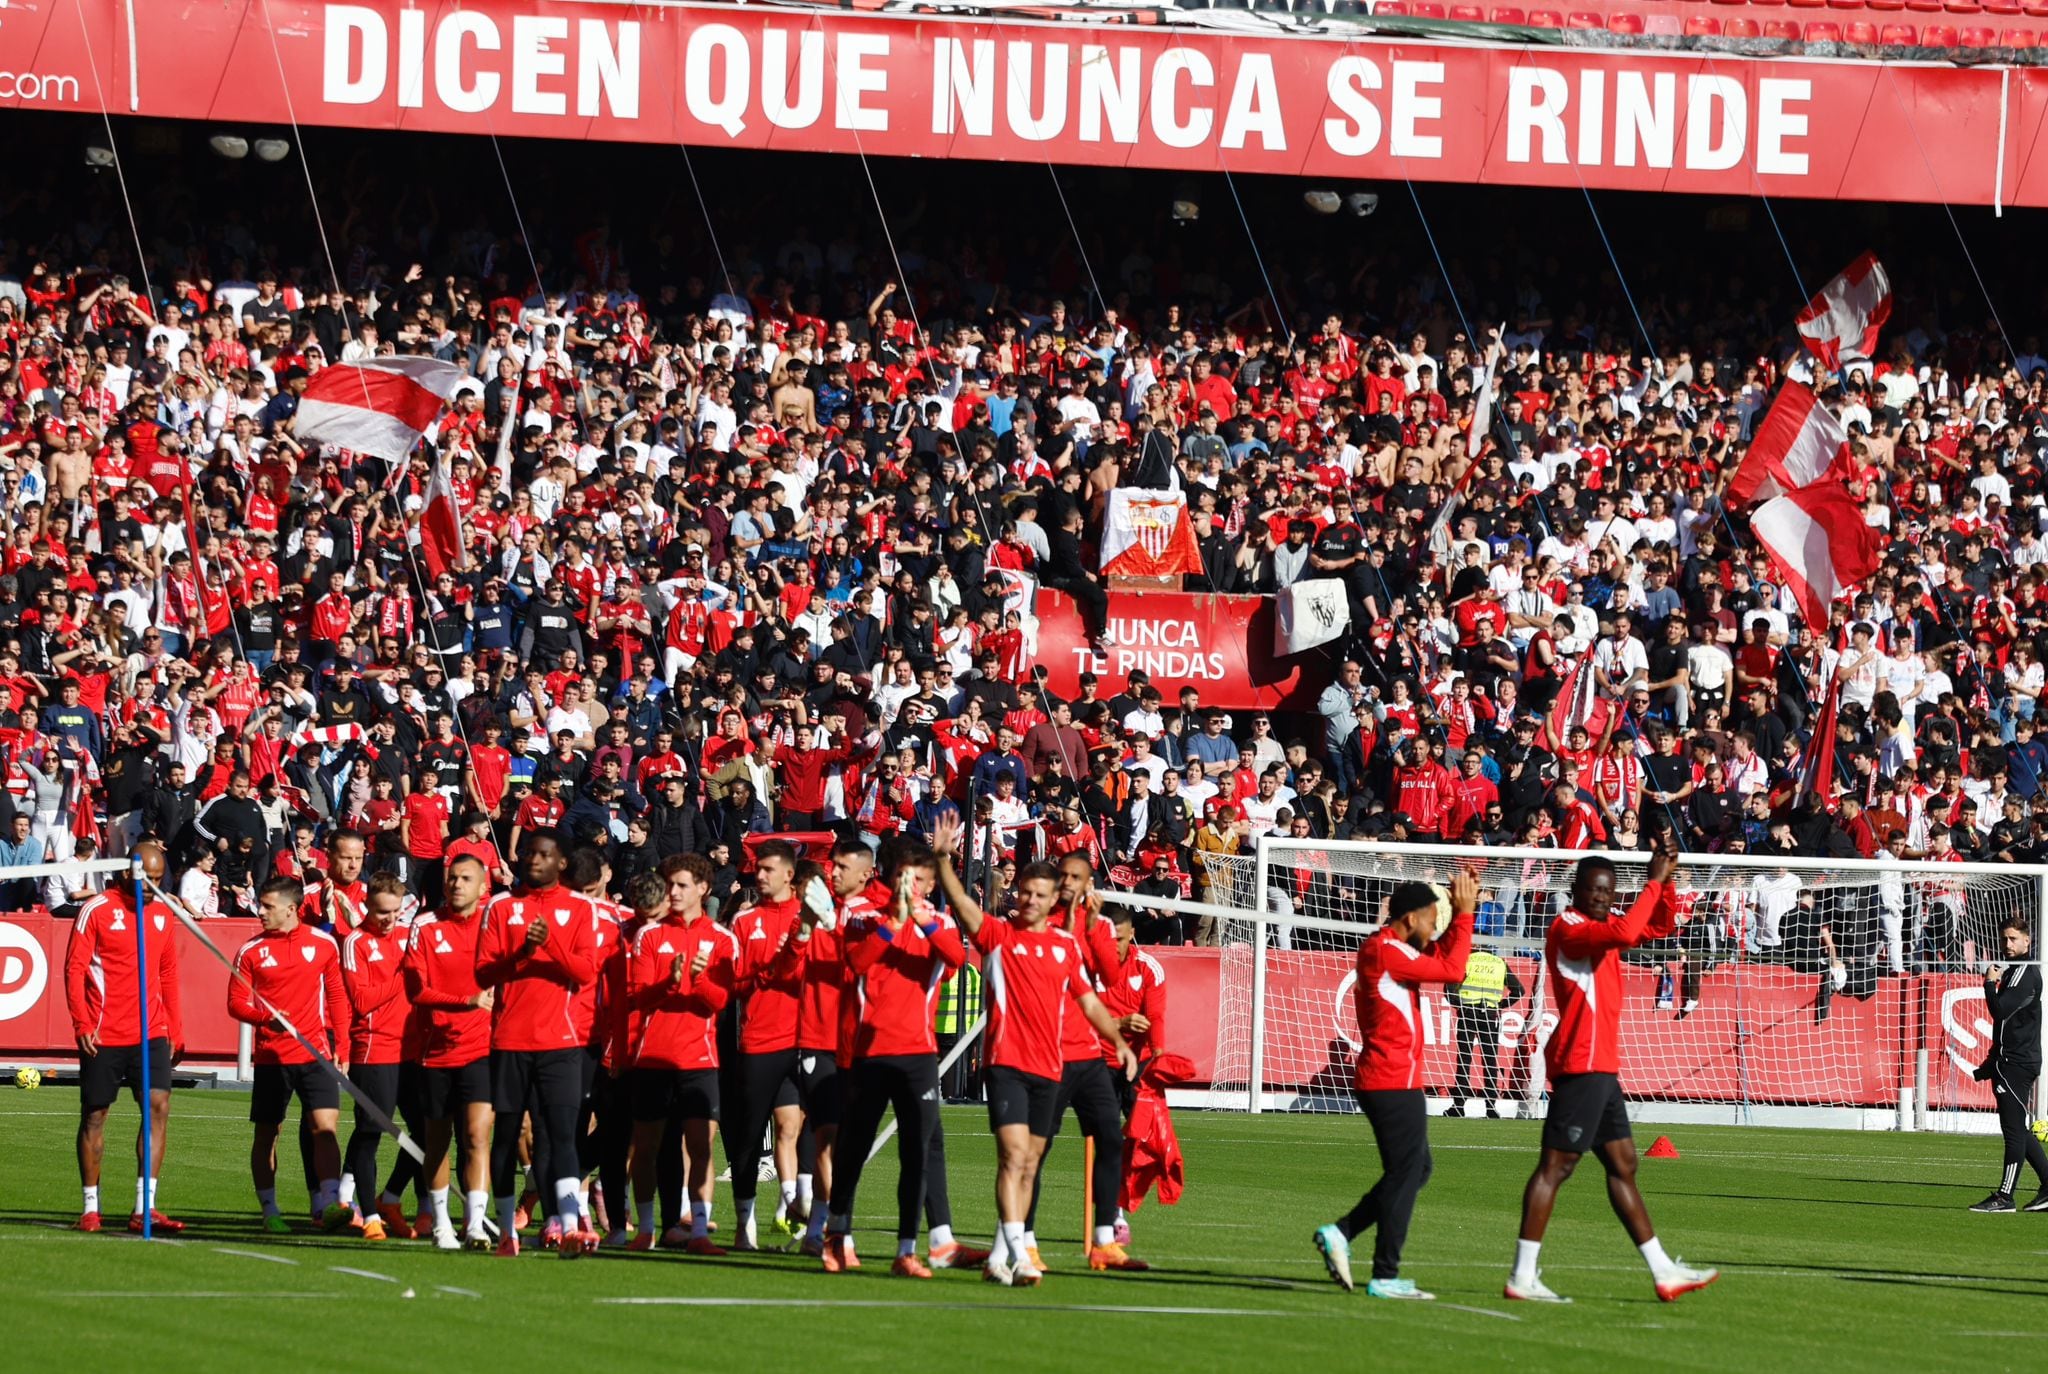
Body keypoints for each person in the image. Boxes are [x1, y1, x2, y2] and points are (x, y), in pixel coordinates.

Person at [1504, 832, 1719, 1303]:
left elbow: (1658, 925)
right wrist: (1652, 882)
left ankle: (1663, 1271)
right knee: (1555, 1167)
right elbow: (1626, 933)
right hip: (1580, 1063)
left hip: (1600, 1066)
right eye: (1595, 890)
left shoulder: (1603, 924)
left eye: (1609, 891)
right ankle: (1522, 1275)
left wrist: (1665, 883)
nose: (1602, 897)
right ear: (1577, 890)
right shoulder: (1569, 926)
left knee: (1624, 1165)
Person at [931, 814, 1139, 1288]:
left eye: (1039, 895)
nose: (1030, 900)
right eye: (1025, 892)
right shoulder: (999, 936)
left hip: (1050, 1068)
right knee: (1014, 1156)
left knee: (1029, 1163)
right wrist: (943, 860)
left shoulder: (1065, 945)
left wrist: (1119, 1042)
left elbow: (1090, 1001)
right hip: (1006, 1064)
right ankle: (1020, 1254)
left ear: (1051, 899)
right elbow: (962, 905)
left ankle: (1000, 1256)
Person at [1313, 874, 1476, 1299]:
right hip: (1390, 1080)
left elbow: (1440, 956)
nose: (1436, 926)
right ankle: (1384, 1274)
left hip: (1392, 1078)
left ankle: (1342, 1232)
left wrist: (1461, 912)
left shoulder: (1391, 947)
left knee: (1415, 1170)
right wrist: (1464, 915)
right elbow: (1454, 970)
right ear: (1410, 918)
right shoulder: (1387, 951)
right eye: (1432, 919)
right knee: (1406, 1172)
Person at [817, 843, 965, 1278]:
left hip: (919, 1054)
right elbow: (857, 962)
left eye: (917, 880)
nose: (907, 885)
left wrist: (919, 919)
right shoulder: (865, 918)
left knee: (916, 1152)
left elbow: (956, 959)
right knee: (853, 1148)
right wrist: (894, 923)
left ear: (930, 885)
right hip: (870, 1052)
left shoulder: (940, 922)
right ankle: (837, 1233)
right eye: (902, 877)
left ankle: (907, 1250)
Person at [473, 826, 601, 1258]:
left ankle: (569, 1227)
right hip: (509, 1040)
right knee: (506, 1136)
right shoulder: (501, 906)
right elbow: (483, 973)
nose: (533, 859)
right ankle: (505, 1231)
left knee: (562, 1135)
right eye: (529, 852)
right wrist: (522, 954)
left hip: (561, 1043)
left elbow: (585, 972)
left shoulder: (580, 908)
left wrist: (551, 946)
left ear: (561, 863)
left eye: (543, 854)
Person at [1025, 850, 1147, 1273]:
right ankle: (1025, 1240)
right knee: (1037, 1148)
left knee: (1111, 1139)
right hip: (1050, 1051)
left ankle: (1104, 1241)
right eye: (1062, 875)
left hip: (1088, 1051)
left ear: (1089, 882)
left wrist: (1093, 925)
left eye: (1075, 877)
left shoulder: (1100, 925)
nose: (1067, 883)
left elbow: (1109, 976)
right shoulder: (1042, 919)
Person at [620, 852, 736, 1255]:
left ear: (703, 888)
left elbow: (720, 1001)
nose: (673, 891)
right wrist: (669, 983)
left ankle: (699, 1231)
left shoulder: (722, 939)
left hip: (699, 1060)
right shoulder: (649, 935)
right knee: (647, 1147)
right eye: (670, 884)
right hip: (653, 1057)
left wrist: (698, 980)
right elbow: (638, 996)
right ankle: (646, 1229)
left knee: (701, 1147)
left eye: (682, 885)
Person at [64, 841, 183, 1233]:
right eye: (145, 879)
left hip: (151, 1032)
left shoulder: (163, 912)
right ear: (125, 872)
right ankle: (91, 1207)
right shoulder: (96, 909)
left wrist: (175, 1028)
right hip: (105, 1032)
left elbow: (168, 973)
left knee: (158, 1107)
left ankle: (144, 1206)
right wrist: (82, 1023)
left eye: (158, 879)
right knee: (95, 1115)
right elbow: (74, 969)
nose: (151, 887)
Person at [228, 876, 347, 1234]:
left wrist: (343, 1045)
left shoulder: (323, 944)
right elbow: (235, 1003)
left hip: (315, 1054)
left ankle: (329, 1203)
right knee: (268, 1134)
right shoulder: (250, 951)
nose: (260, 912)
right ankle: (270, 1210)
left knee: (325, 1129)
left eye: (268, 906)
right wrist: (266, 1018)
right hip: (271, 1058)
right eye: (260, 905)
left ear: (291, 909)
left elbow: (337, 997)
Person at [402, 851, 496, 1250]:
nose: (457, 884)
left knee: (476, 1136)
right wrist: (467, 1002)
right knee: (437, 1139)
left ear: (483, 886)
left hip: (482, 1049)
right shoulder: (424, 925)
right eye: (452, 877)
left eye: (466, 878)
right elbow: (416, 990)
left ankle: (474, 1224)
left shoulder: (495, 925)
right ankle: (441, 1223)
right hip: (435, 1050)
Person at [721, 839, 810, 1250]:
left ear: (789, 875)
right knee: (750, 1136)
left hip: (802, 1038)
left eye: (768, 869)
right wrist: (759, 974)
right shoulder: (744, 921)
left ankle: (791, 1206)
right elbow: (732, 984)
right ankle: (746, 1224)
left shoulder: (808, 918)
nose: (759, 875)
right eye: (758, 868)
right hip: (757, 1040)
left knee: (794, 1126)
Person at [336, 872, 413, 1239]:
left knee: (428, 1132)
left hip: (412, 1048)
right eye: (383, 912)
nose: (390, 919)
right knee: (371, 1131)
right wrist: (403, 975)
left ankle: (390, 1198)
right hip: (374, 1048)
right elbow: (362, 1000)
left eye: (396, 912)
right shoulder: (357, 943)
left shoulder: (409, 936)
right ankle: (368, 1215)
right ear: (367, 906)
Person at [1970, 915, 2048, 1212]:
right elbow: (2008, 1025)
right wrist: (1992, 1060)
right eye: (2004, 938)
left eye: (2014, 938)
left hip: (2017, 1063)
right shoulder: (2016, 971)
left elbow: (2000, 1012)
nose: (2008, 943)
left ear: (2028, 940)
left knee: (2013, 1131)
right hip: (2010, 1060)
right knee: (2019, 1129)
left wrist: (1989, 983)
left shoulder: (2023, 974)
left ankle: (2005, 1197)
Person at [1448, 942, 1526, 1115]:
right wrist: (1500, 1005)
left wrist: (1460, 1006)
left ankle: (1458, 1106)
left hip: (1468, 1013)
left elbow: (1449, 990)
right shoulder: (1499, 963)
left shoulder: (1466, 960)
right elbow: (1519, 991)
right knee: (1490, 1060)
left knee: (1464, 1059)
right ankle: (1491, 1107)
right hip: (1490, 1015)